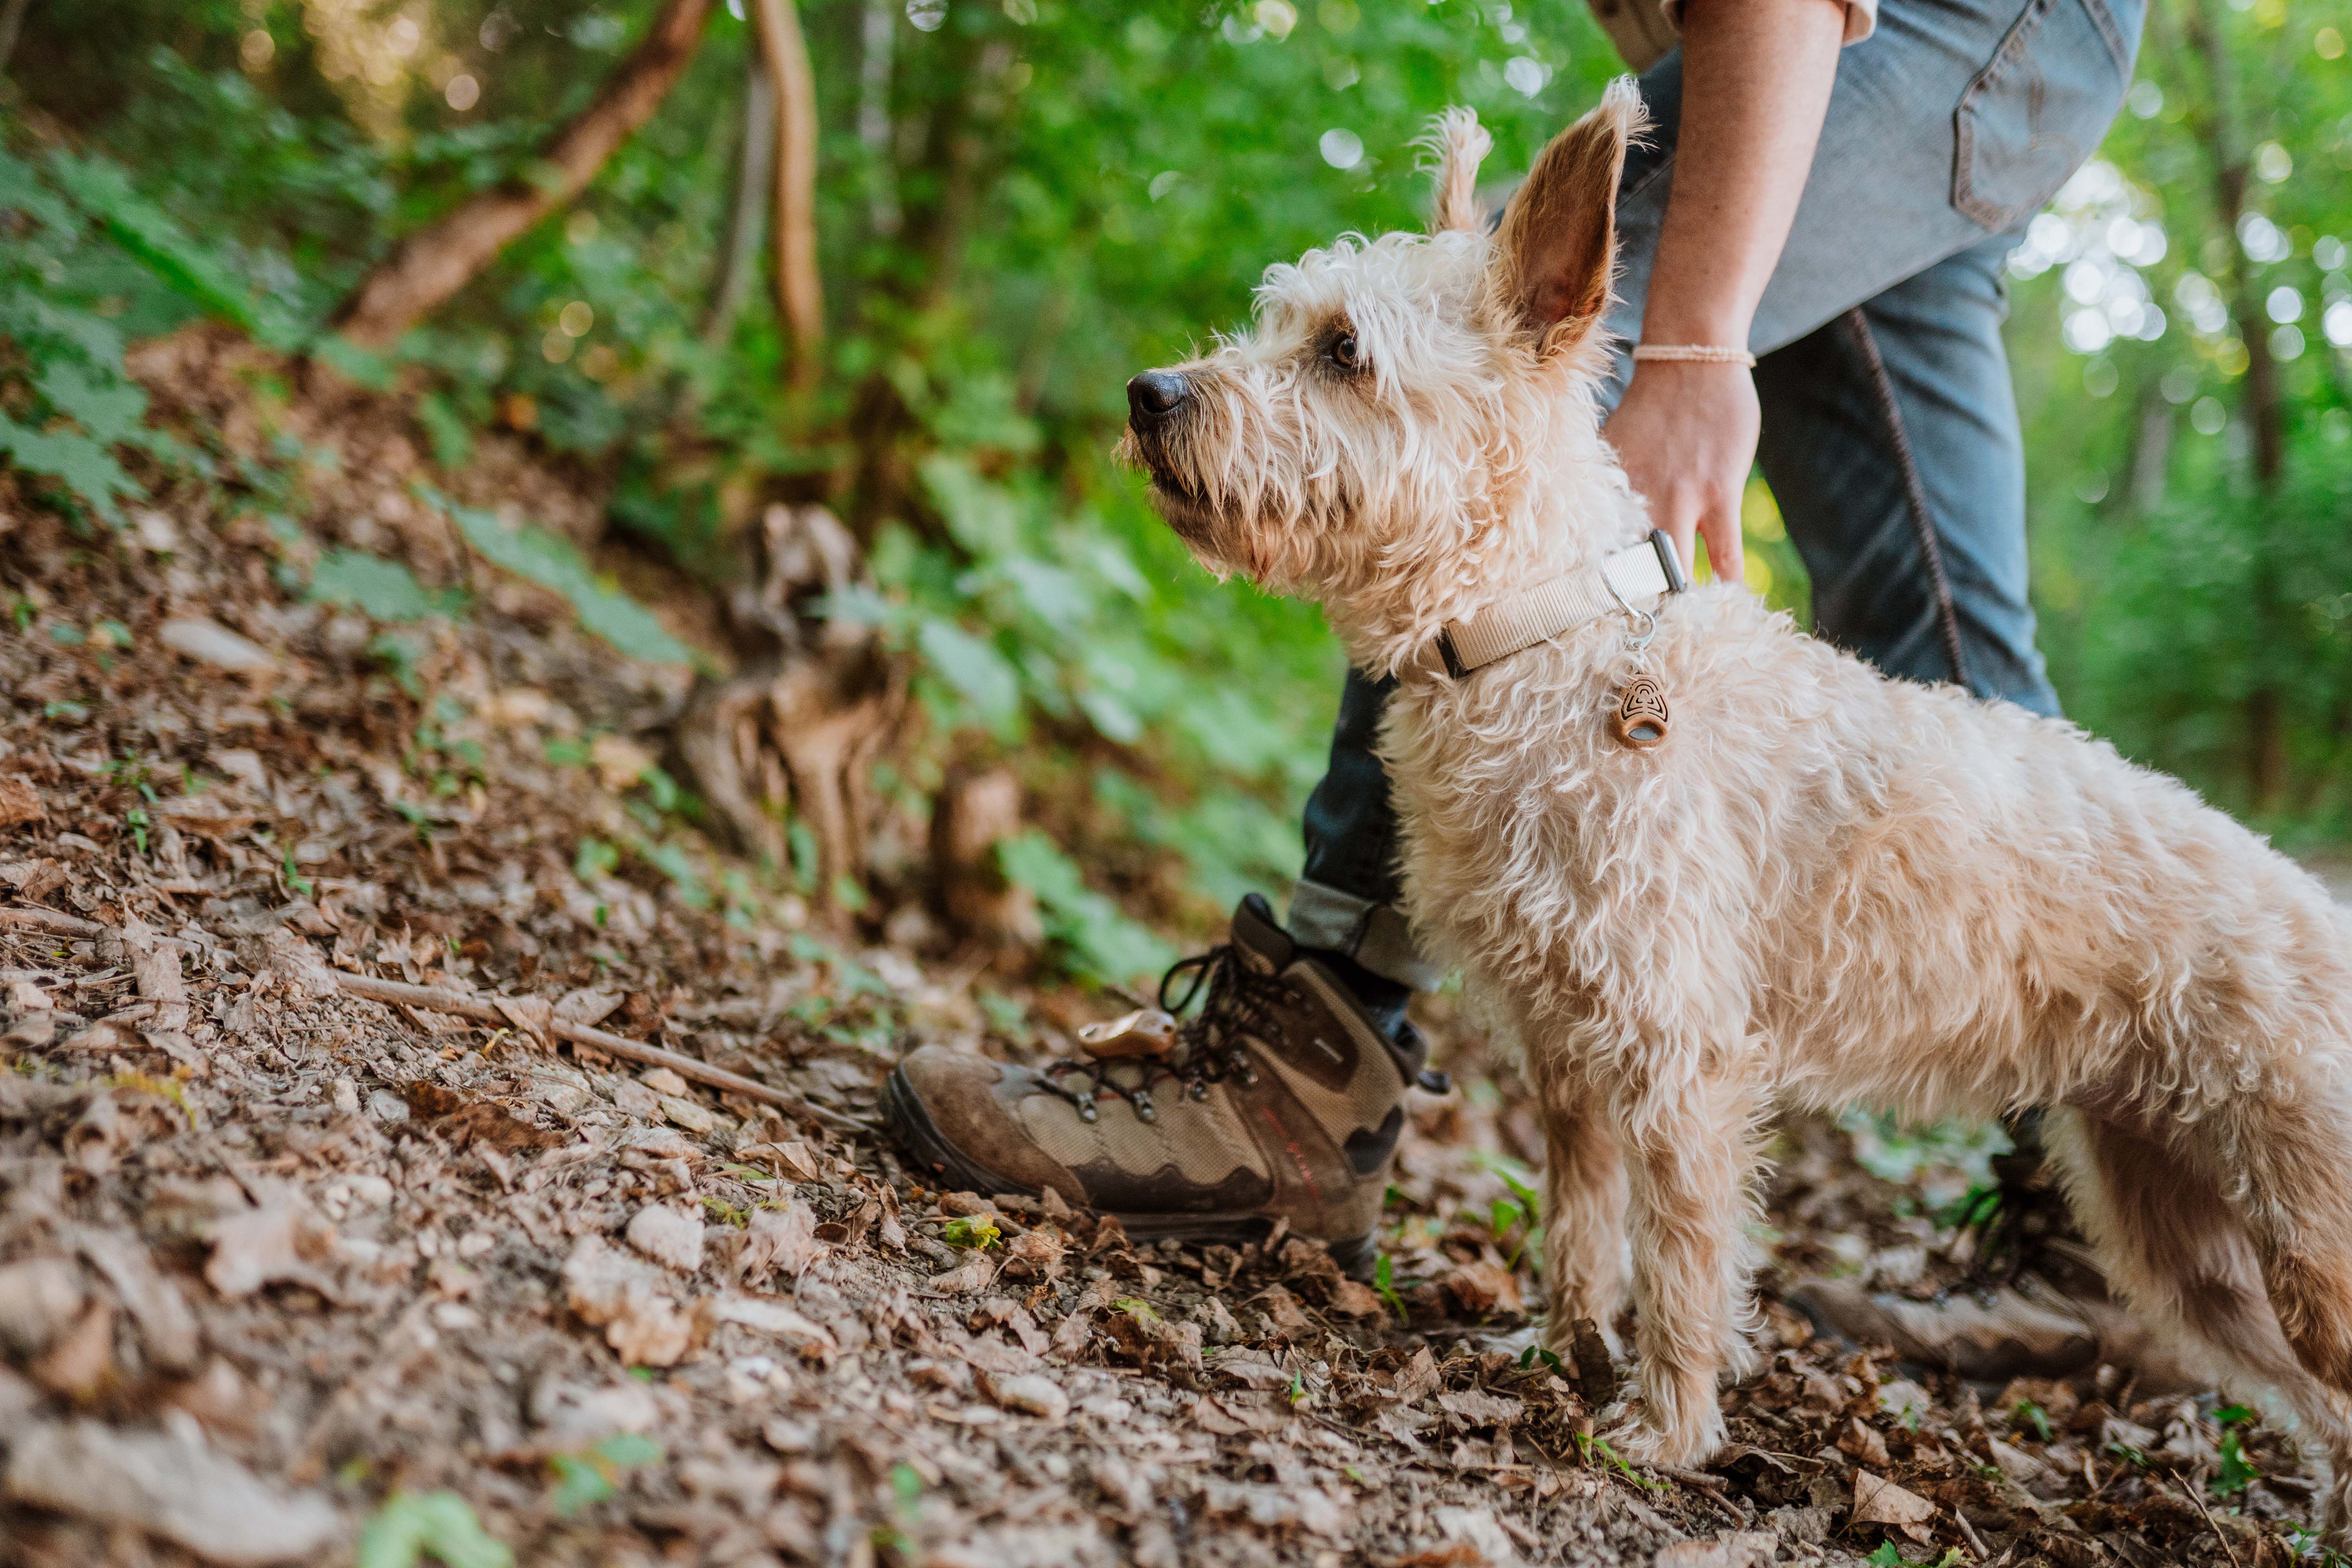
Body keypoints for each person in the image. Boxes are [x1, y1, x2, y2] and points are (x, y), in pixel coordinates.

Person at [887, 0, 2146, 1373]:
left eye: (1326, 359)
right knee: (1931, 599)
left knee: (1498, 399)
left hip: (1929, 20)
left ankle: (1302, 1074)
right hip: (2028, 41)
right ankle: (2115, 1214)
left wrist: (1695, 345)